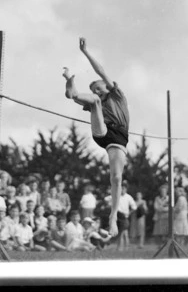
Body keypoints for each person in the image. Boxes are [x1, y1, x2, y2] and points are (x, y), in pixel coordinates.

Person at [63, 38, 130, 237]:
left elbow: (101, 71)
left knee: (116, 178)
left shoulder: (117, 95)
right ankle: (70, 85)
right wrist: (80, 93)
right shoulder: (97, 101)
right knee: (92, 102)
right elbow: (91, 97)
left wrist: (86, 52)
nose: (98, 91)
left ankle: (112, 217)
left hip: (117, 138)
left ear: (108, 88)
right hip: (101, 131)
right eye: (94, 90)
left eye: (99, 89)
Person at [116, 183, 137, 251]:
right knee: (123, 232)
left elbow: (134, 207)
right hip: (118, 216)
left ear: (126, 189)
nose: (122, 190)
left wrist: (129, 213)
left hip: (125, 216)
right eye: (121, 188)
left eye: (123, 188)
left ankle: (121, 247)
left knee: (122, 232)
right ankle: (124, 247)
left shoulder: (128, 197)